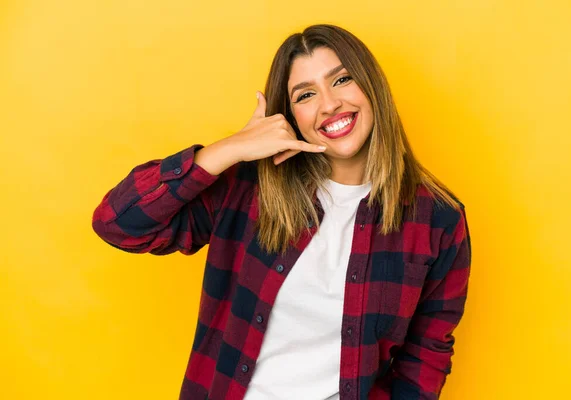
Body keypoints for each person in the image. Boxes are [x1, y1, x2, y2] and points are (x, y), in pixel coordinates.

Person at [92, 24, 472, 400]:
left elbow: (425, 357)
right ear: (288, 115)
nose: (328, 104)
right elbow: (118, 223)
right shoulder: (248, 188)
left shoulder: (438, 220)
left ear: (372, 87)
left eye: (341, 81)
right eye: (305, 94)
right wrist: (227, 149)